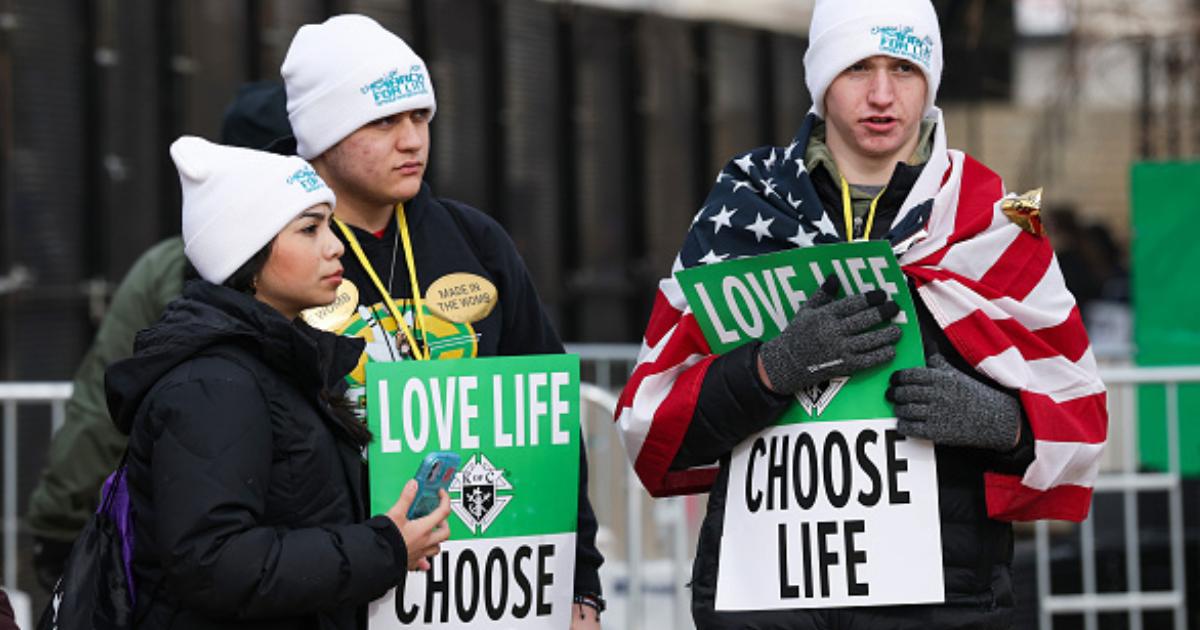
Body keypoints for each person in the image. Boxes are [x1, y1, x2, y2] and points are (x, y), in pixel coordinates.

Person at [615, 0, 1108, 628]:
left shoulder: (999, 217)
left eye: (903, 68)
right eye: (856, 69)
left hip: (943, 601)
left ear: (930, 79)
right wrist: (770, 368)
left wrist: (1003, 423)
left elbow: (1081, 416)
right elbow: (654, 419)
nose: (882, 95)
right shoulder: (741, 205)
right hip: (765, 598)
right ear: (821, 81)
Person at [280, 14, 606, 625]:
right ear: (323, 137)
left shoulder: (474, 240)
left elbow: (550, 420)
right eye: (383, 121)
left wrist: (579, 580)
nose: (412, 140)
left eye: (420, 117)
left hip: (484, 585)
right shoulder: (274, 254)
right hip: (333, 590)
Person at [104, 136, 452, 628]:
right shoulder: (214, 384)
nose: (335, 247)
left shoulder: (273, 363)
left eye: (330, 225)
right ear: (246, 258)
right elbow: (213, 561)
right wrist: (383, 546)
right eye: (310, 229)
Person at [26, 81, 296, 590]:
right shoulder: (173, 270)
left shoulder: (168, 266)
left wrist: (59, 522)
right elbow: (104, 406)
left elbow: (101, 407)